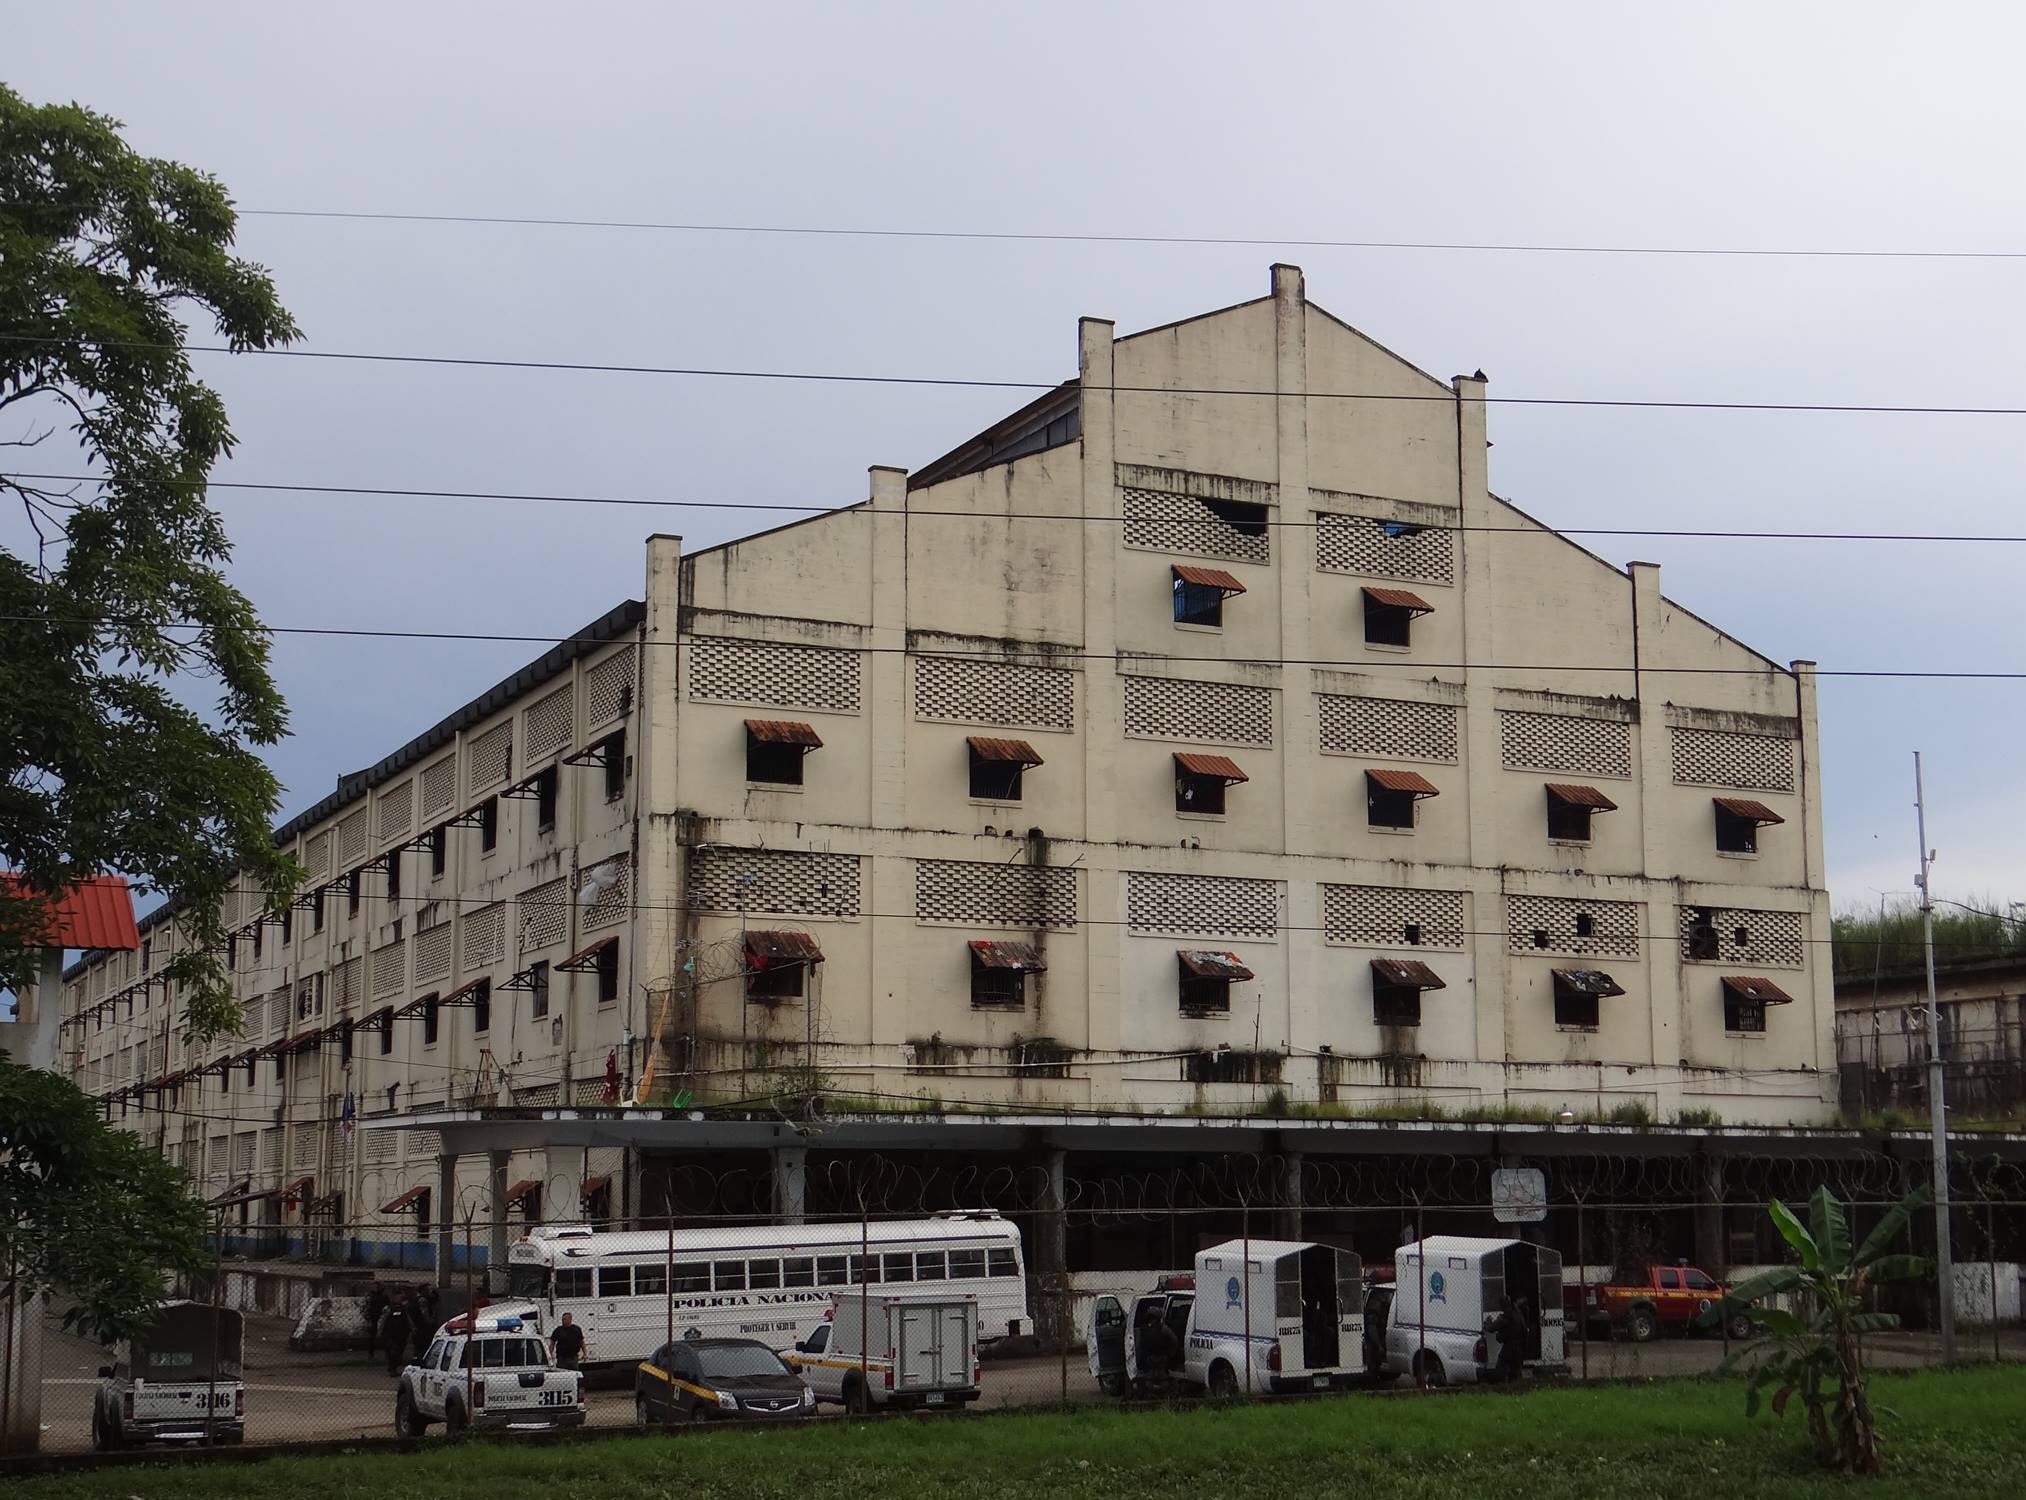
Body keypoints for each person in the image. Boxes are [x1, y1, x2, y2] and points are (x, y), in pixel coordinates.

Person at [379, 1297, 412, 1377]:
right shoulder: (388, 1308)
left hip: (401, 1334)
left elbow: (408, 1319)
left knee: (399, 1351)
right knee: (393, 1351)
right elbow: (382, 1320)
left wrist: (411, 1328)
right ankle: (391, 1369)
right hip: (390, 1334)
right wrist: (380, 1331)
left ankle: (394, 1367)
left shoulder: (403, 1308)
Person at [362, 1287, 389, 1364]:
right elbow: (366, 1307)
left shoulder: (384, 1296)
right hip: (373, 1318)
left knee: (385, 1337)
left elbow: (387, 1306)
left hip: (382, 1317)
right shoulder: (370, 1296)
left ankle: (387, 1355)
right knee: (371, 1337)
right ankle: (371, 1355)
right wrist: (368, 1319)